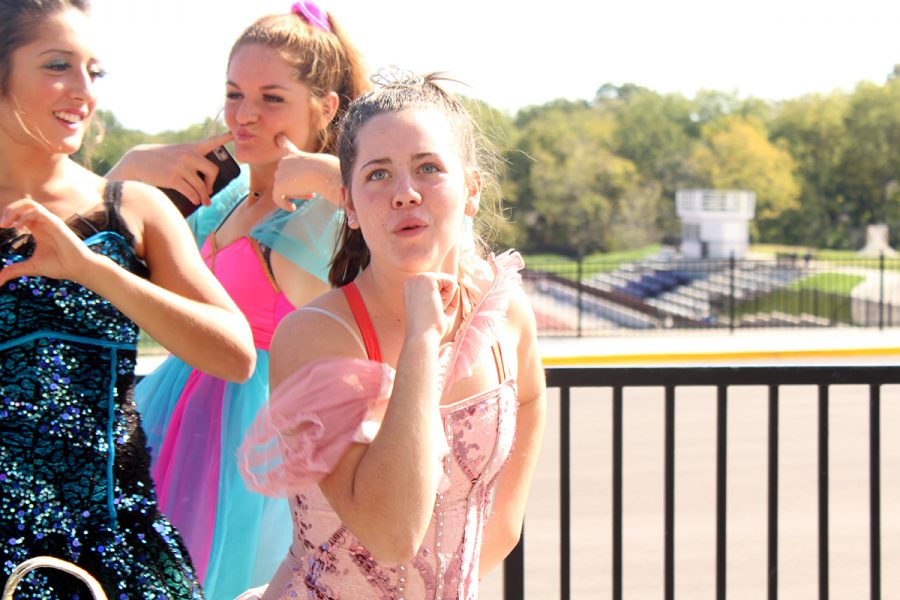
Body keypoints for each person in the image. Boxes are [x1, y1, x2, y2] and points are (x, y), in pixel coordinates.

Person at [237, 72, 548, 599]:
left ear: (470, 190)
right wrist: (424, 336)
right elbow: (392, 535)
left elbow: (527, 416)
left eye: (428, 168)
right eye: (378, 175)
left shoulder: (507, 315)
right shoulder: (317, 336)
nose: (405, 193)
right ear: (351, 206)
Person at [105, 3, 369, 598]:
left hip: (256, 444)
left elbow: (359, 338)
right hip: (178, 414)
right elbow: (99, 275)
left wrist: (329, 174)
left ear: (324, 108)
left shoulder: (323, 217)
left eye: (272, 98)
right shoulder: (222, 202)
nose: (245, 115)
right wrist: (127, 170)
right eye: (234, 94)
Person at [0, 0, 257, 597]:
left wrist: (93, 269)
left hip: (118, 555)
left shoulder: (134, 209)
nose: (83, 91)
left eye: (95, 71)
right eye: (58, 64)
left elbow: (236, 353)